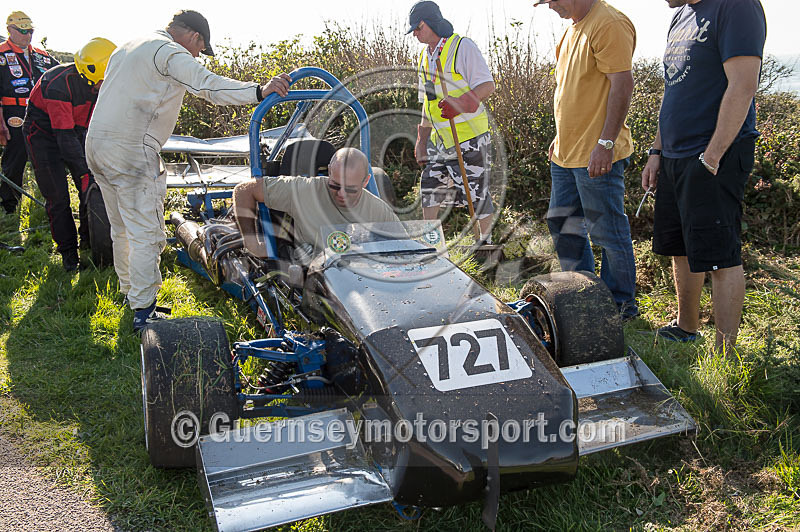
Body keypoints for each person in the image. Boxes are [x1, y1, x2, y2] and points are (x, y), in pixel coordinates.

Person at [85, 10, 292, 332]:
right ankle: (144, 312)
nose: (197, 56)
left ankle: (130, 294)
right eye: (200, 50)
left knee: (121, 227)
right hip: (131, 148)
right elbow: (207, 86)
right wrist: (258, 91)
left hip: (97, 144)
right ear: (195, 37)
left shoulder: (129, 46)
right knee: (146, 234)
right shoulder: (168, 51)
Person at [641, 0, 766, 351]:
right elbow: (673, 91)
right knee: (682, 247)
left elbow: (743, 85)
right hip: (675, 154)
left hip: (715, 154)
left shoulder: (736, 6)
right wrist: (657, 151)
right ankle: (686, 327)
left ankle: (724, 352)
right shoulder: (679, 16)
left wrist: (712, 156)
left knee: (720, 254)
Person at [534, 0, 638, 321]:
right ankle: (584, 294)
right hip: (566, 153)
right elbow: (571, 92)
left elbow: (623, 85)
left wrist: (605, 143)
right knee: (563, 223)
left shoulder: (608, 23)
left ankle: (620, 305)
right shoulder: (570, 31)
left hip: (597, 153)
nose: (551, 6)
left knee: (606, 230)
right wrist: (559, 137)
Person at [23, 38, 117, 272]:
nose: (104, 87)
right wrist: (84, 169)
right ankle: (68, 254)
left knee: (91, 184)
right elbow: (64, 138)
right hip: (43, 134)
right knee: (58, 196)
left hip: (77, 129)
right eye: (101, 83)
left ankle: (89, 238)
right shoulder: (58, 84)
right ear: (88, 73)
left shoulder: (101, 82)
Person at [409, 1, 496, 241]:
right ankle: (432, 243)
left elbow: (487, 85)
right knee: (430, 185)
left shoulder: (462, 47)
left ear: (428, 23)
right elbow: (427, 103)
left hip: (470, 136)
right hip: (440, 140)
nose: (415, 34)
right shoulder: (424, 58)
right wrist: (421, 140)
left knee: (475, 193)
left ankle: (485, 246)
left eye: (417, 28)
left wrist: (461, 103)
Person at [233, 147, 400, 256]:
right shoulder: (304, 190)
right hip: (311, 276)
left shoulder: (378, 209)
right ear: (329, 171)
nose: (341, 193)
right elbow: (244, 191)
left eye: (350, 189)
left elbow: (406, 245)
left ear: (365, 182)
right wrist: (252, 243)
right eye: (335, 185)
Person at [0, 11, 57, 214]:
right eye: (23, 31)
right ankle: (9, 203)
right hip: (12, 111)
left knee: (45, 154)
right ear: (10, 30)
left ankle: (48, 198)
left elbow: (61, 74)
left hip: (40, 112)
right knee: (15, 156)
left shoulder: (42, 56)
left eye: (30, 31)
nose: (27, 35)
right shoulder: (1, 55)